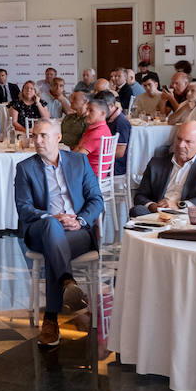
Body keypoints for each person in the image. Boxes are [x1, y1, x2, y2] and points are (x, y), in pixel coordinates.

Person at [14, 120, 104, 348]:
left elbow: (96, 199)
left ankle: (51, 320)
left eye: (43, 135)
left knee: (55, 249)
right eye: (34, 136)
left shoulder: (78, 161)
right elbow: (24, 208)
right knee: (52, 227)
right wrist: (53, 217)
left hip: (77, 231)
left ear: (58, 138)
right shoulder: (25, 168)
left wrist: (80, 220)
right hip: (41, 229)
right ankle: (66, 282)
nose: (37, 141)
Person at [132, 121, 196, 215]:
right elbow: (140, 196)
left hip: (188, 215)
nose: (180, 145)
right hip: (158, 214)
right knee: (137, 210)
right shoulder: (156, 163)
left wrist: (180, 205)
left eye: (188, 142)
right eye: (179, 139)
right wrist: (153, 206)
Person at [77, 96, 115, 178]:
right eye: (87, 109)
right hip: (91, 171)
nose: (86, 113)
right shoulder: (103, 128)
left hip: (91, 176)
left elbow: (78, 156)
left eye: (91, 111)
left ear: (102, 114)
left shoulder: (97, 133)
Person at [97, 89, 131, 177]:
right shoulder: (107, 118)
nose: (99, 111)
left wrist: (98, 155)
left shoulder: (121, 122)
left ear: (112, 106)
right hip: (105, 160)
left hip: (116, 166)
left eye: (102, 108)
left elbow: (120, 152)